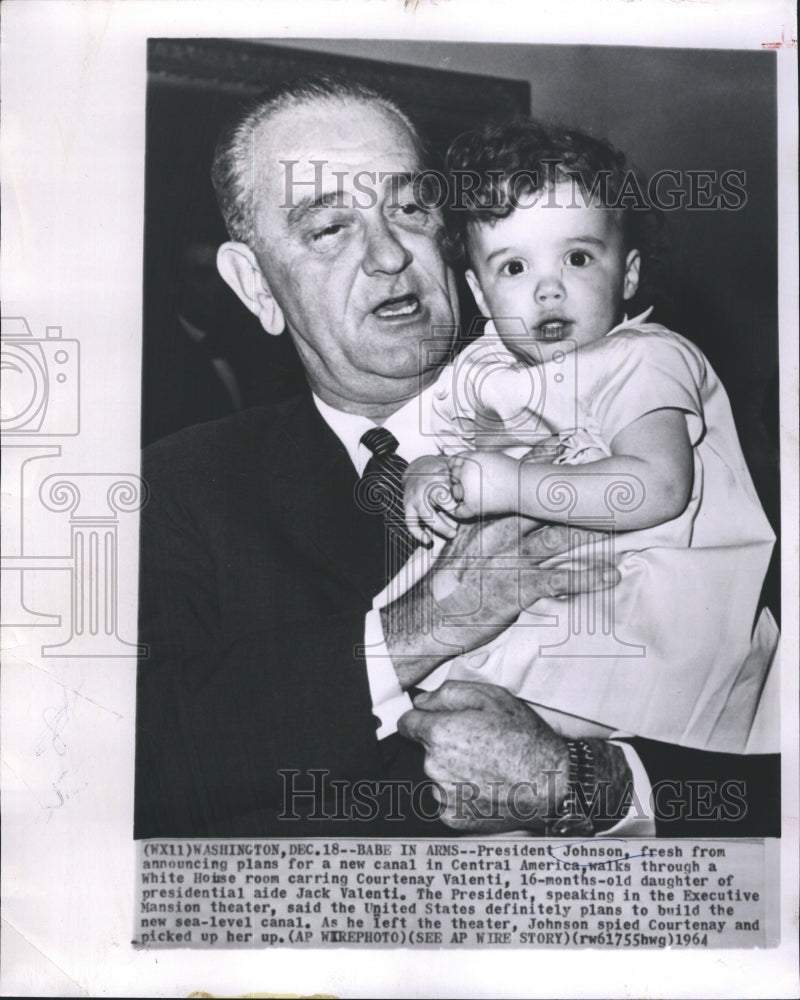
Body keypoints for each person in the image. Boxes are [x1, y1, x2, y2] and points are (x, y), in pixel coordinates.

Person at [134, 75, 780, 839]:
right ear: (255, 286)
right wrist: (420, 627)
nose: (387, 257)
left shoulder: (663, 412)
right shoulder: (176, 487)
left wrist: (593, 785)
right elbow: (127, 768)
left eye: (410, 208)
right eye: (328, 228)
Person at [402, 119, 778, 751]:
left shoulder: (645, 358)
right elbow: (441, 447)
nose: (548, 287)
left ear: (627, 275)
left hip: (649, 617)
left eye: (577, 257)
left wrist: (514, 482)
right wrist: (427, 475)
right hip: (540, 610)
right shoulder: (482, 370)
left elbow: (656, 486)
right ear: (479, 291)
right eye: (515, 266)